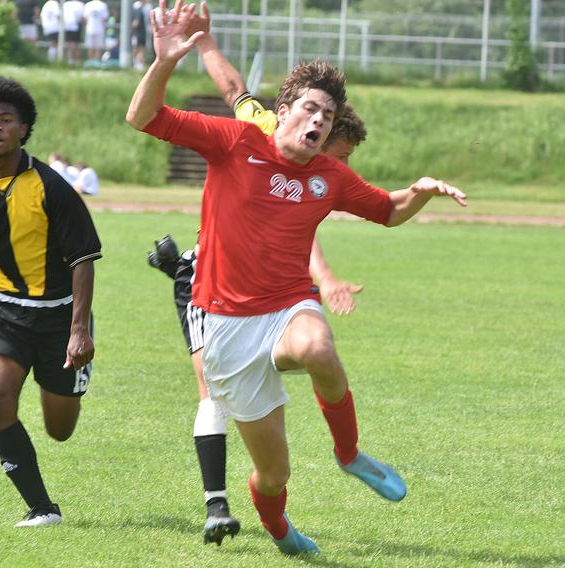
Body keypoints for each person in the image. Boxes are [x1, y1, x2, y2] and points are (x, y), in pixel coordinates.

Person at [127, 0, 466, 555]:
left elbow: (388, 210)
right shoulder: (235, 141)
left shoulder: (331, 175)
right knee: (273, 473)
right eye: (310, 110)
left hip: (286, 306)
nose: (318, 122)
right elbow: (143, 117)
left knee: (318, 347)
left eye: (327, 118)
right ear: (281, 111)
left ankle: (350, 454)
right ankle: (279, 527)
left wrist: (421, 193)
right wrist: (165, 61)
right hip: (225, 326)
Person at [144, 3, 368, 546]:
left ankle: (264, 489)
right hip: (213, 281)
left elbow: (301, 225)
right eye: (328, 143)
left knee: (304, 352)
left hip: (267, 294)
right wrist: (200, 43)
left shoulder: (319, 172)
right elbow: (232, 90)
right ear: (293, 114)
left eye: (330, 132)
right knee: (212, 388)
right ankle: (216, 500)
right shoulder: (258, 130)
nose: (325, 156)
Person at [0, 77, 102, 527]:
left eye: (6, 120)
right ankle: (42, 507)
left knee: (60, 430)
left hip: (60, 318)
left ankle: (68, 375)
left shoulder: (52, 187)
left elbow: (83, 259)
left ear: (24, 128)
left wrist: (79, 330)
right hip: (4, 314)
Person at [62, 0, 84, 65]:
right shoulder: (80, 4)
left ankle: (71, 61)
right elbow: (82, 17)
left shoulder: (65, 4)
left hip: (67, 26)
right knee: (75, 45)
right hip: (76, 27)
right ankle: (76, 62)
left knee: (70, 45)